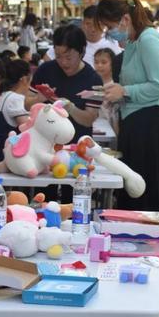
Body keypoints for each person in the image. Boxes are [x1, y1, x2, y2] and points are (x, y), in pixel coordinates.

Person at [97, 0, 159, 225]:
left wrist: (124, 92)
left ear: (125, 19)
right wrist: (117, 92)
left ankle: (157, 249)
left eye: (110, 27)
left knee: (149, 192)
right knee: (134, 191)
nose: (109, 33)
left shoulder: (149, 40)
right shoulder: (134, 43)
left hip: (153, 125)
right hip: (137, 123)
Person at [26, 24, 102, 202]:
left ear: (82, 51)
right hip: (45, 149)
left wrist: (71, 108)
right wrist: (39, 98)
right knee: (44, 199)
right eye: (58, 56)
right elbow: (26, 103)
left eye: (68, 57)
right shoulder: (45, 70)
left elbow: (89, 118)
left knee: (74, 200)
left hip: (78, 152)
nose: (63, 62)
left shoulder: (94, 79)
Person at [0, 60, 31, 161]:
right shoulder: (16, 98)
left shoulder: (5, 95)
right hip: (6, 155)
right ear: (24, 79)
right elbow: (27, 128)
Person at [43, 6, 122, 65]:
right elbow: (47, 59)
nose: (93, 29)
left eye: (97, 25)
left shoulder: (112, 43)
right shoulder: (72, 40)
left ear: (103, 24)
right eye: (88, 24)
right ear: (82, 23)